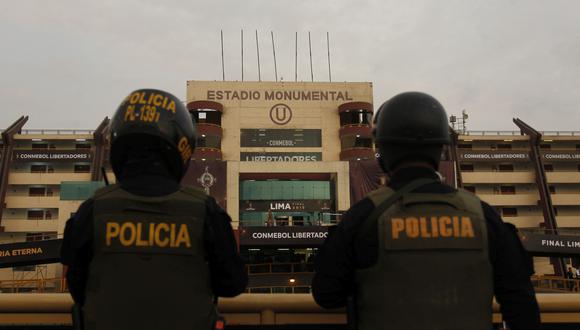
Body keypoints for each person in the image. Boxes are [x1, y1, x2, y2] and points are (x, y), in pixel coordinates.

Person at [312, 92, 541, 330]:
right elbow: (521, 305)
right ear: (441, 147)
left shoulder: (364, 215)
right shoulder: (483, 216)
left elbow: (326, 295)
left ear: (383, 151)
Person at [61, 89, 247, 330]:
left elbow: (76, 286)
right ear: (183, 147)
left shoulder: (92, 210)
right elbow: (233, 284)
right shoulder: (205, 211)